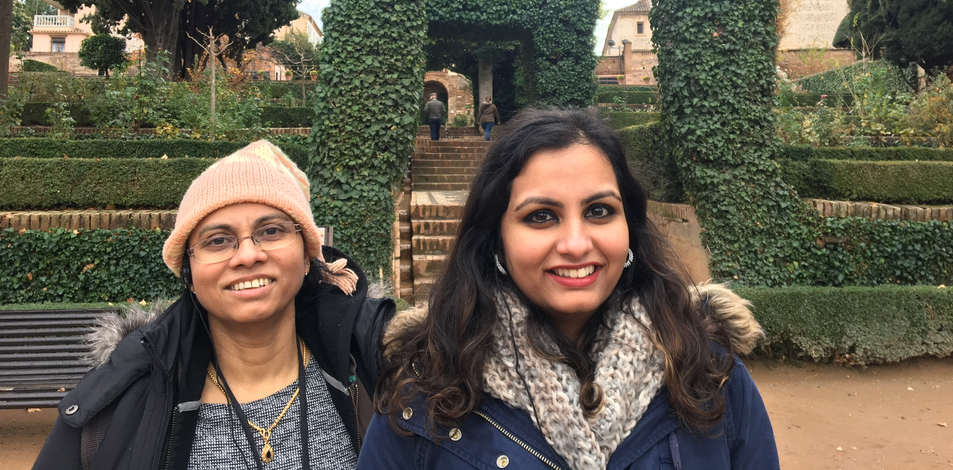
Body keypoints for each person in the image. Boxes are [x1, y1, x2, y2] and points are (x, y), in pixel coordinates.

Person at [357, 108, 779, 470]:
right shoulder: (422, 388)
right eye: (541, 216)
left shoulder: (710, 370)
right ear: (495, 238)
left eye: (599, 211)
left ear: (629, 227)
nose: (576, 244)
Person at [33, 140, 395, 470]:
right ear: (188, 273)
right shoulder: (117, 404)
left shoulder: (379, 368)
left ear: (307, 256)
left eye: (271, 231)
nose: (248, 255)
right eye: (218, 240)